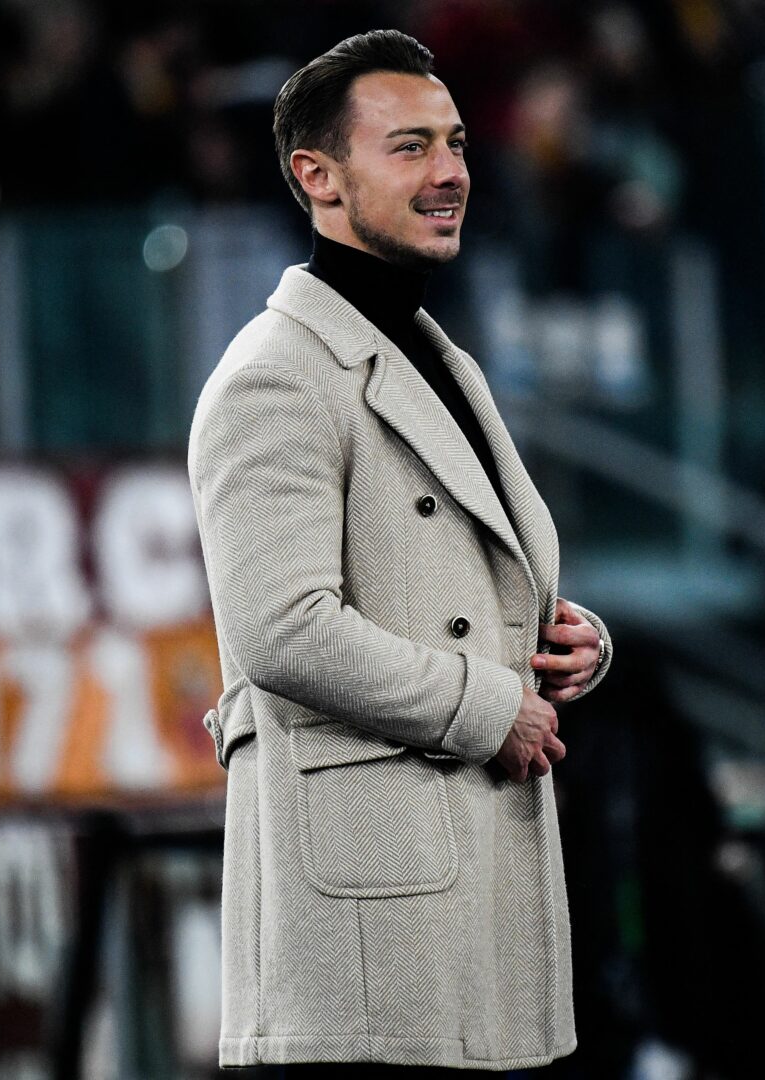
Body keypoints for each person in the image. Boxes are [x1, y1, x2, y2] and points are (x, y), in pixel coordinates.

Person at [186, 30, 614, 1074]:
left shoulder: (437, 355)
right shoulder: (274, 375)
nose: (451, 172)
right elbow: (281, 628)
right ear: (318, 177)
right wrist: (487, 705)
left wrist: (569, 640)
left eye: (457, 142)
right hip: (365, 948)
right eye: (411, 146)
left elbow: (461, 581)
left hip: (451, 903)